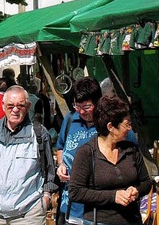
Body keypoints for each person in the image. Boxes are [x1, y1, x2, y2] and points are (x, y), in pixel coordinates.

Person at [0, 85, 58, 224]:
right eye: (10, 106)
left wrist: (46, 196)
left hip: (29, 213)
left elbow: (49, 168)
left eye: (20, 106)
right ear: (2, 105)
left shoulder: (39, 133)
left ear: (28, 106)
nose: (15, 110)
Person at [69, 96, 151, 225]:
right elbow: (75, 192)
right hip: (100, 221)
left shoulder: (131, 150)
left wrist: (136, 190)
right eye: (127, 124)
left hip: (132, 220)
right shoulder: (87, 152)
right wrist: (113, 196)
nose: (130, 128)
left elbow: (146, 182)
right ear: (111, 127)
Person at [55, 77, 102, 225]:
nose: (81, 111)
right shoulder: (70, 119)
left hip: (98, 205)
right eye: (77, 106)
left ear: (98, 102)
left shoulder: (107, 123)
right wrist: (61, 165)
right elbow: (60, 146)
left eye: (87, 107)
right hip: (70, 203)